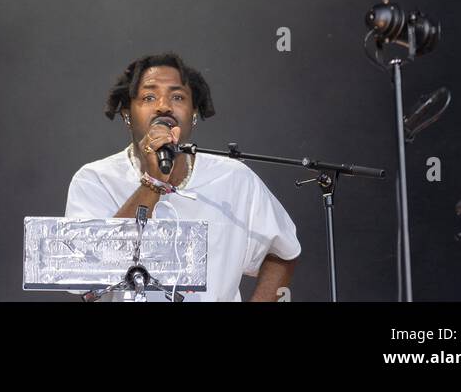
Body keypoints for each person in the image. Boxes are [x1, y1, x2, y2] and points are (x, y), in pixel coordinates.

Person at [64, 53, 300, 302]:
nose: (164, 106)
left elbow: (283, 252)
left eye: (177, 97)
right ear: (127, 114)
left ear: (194, 113)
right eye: (149, 97)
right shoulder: (95, 180)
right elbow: (84, 279)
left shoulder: (234, 179)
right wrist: (153, 183)